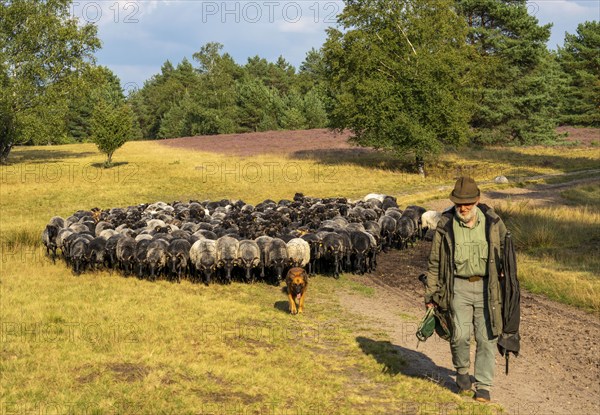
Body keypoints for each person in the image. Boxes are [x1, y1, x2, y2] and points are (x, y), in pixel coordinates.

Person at [424, 176, 507, 403]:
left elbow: (507, 256)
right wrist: (431, 294)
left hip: (486, 288)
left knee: (486, 337)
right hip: (457, 287)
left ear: (477, 200)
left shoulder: (494, 223)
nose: (463, 207)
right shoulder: (445, 224)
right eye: (459, 203)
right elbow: (434, 264)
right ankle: (462, 374)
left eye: (468, 203)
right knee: (459, 336)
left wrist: (506, 283)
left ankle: (483, 385)